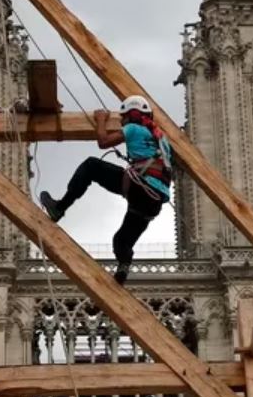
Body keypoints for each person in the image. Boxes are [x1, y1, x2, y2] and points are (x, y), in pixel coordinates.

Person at [40, 95, 173, 284]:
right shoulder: (163, 140)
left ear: (129, 116)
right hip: (154, 202)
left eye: (123, 118)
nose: (121, 121)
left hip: (140, 187)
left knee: (91, 166)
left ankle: (59, 207)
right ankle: (123, 267)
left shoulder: (133, 128)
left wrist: (101, 119)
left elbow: (103, 142)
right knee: (121, 241)